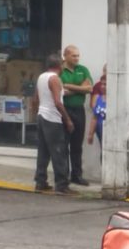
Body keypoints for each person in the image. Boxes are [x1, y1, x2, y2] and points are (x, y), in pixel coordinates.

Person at [34, 54, 75, 194]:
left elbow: (37, 97)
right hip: (52, 118)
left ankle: (40, 181)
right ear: (59, 66)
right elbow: (57, 102)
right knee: (59, 151)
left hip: (41, 115)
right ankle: (61, 184)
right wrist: (67, 119)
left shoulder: (41, 77)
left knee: (43, 151)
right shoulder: (55, 79)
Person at [59, 45, 92, 185]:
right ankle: (64, 176)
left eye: (78, 56)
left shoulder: (82, 69)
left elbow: (89, 88)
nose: (77, 58)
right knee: (64, 144)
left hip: (79, 110)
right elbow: (61, 92)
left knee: (77, 144)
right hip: (64, 110)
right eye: (74, 56)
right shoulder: (60, 70)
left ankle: (77, 175)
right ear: (65, 56)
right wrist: (80, 89)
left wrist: (69, 86)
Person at [87, 67, 106, 149]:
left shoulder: (116, 100)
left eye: (105, 84)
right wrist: (91, 134)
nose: (102, 86)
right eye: (102, 84)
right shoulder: (99, 98)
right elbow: (95, 117)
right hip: (100, 130)